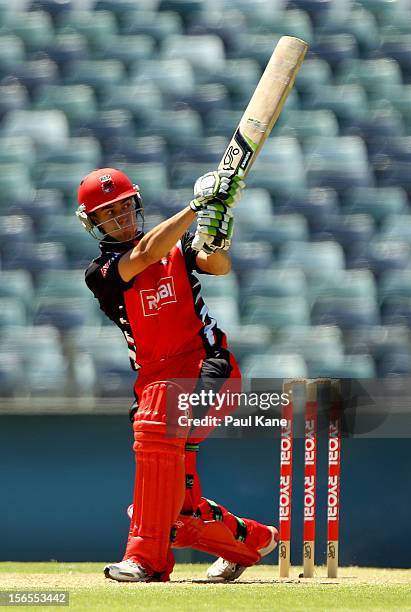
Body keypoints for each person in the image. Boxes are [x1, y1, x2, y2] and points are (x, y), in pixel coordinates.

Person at [76, 167, 278, 583]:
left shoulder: (178, 245)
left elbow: (216, 265)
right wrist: (195, 205)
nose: (121, 217)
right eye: (108, 213)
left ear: (138, 204)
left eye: (125, 207)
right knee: (173, 512)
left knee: (157, 426)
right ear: (92, 223)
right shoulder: (101, 274)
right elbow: (146, 254)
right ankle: (252, 540)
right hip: (153, 381)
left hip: (208, 367)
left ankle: (145, 560)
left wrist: (215, 234)